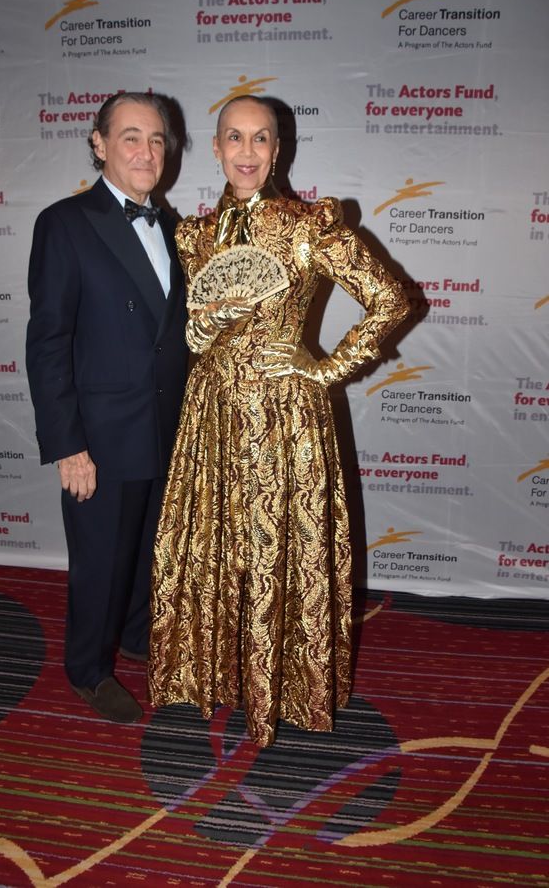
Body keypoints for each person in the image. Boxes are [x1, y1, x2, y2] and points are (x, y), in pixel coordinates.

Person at [147, 96, 409, 747]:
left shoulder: (307, 226)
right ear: (214, 147)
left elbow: (390, 299)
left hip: (283, 416)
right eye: (233, 138)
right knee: (218, 544)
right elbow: (198, 331)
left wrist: (329, 367)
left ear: (278, 148)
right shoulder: (194, 236)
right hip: (210, 410)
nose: (246, 151)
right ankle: (213, 676)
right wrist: (200, 328)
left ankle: (279, 688)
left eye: (260, 139)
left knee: (272, 547)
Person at [26, 92, 188, 724]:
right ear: (98, 143)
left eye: (156, 139)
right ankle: (88, 669)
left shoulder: (176, 228)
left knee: (150, 549)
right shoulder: (64, 223)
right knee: (99, 560)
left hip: (167, 426)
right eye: (130, 137)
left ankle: (139, 636)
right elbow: (48, 341)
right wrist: (68, 444)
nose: (147, 151)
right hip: (99, 434)